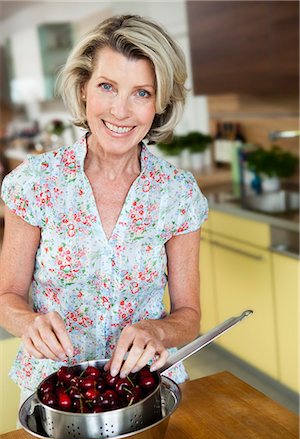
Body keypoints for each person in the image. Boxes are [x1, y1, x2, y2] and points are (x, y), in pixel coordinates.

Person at [0, 15, 208, 403]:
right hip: (57, 389)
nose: (120, 111)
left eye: (142, 93)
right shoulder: (34, 183)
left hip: (147, 387)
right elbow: (7, 295)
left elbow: (188, 313)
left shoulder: (178, 194)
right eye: (107, 87)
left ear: (160, 102)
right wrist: (28, 322)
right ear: (83, 89)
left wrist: (159, 331)